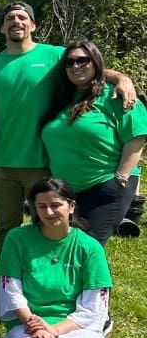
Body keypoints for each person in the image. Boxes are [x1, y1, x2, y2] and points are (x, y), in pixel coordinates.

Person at [0, 1, 135, 256]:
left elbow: (90, 67)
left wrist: (122, 78)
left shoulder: (55, 56)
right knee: (6, 228)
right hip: (4, 165)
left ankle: (39, 282)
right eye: (10, 17)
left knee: (46, 225)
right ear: (2, 27)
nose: (16, 21)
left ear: (33, 24)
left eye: (22, 17)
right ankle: (7, 281)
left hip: (45, 164)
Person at [0, 178, 112, 338]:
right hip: (29, 322)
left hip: (73, 325)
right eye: (42, 206)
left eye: (56, 205)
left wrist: (54, 330)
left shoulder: (90, 248)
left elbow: (94, 304)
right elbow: (10, 290)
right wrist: (37, 327)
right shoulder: (17, 238)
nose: (49, 212)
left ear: (71, 206)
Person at [40, 40, 147, 245]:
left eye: (83, 60)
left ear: (96, 63)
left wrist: (120, 178)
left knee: (87, 246)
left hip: (104, 185)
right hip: (65, 190)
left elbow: (136, 136)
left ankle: (95, 279)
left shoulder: (114, 95)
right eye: (69, 62)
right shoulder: (62, 98)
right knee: (65, 245)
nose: (75, 66)